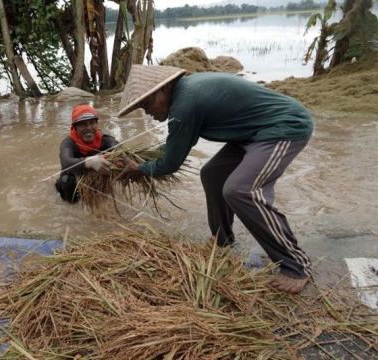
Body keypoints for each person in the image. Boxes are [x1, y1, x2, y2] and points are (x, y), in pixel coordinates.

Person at [117, 65, 314, 294]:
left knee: (240, 190)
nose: (148, 112)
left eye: (148, 104)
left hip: (284, 126)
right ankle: (223, 241)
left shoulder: (184, 106)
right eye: (142, 108)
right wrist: (144, 162)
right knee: (212, 174)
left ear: (163, 90)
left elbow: (170, 163)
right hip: (251, 133)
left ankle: (296, 265)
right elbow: (176, 146)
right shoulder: (187, 92)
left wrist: (140, 168)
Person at [56, 104, 118, 203]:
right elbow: (66, 162)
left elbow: (120, 151)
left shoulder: (105, 140)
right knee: (66, 181)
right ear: (74, 127)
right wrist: (88, 162)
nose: (88, 127)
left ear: (97, 124)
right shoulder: (68, 142)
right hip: (74, 181)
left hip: (95, 180)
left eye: (92, 123)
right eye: (83, 124)